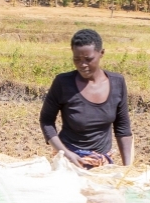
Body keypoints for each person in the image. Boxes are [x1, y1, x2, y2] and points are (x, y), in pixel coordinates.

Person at [40, 29, 133, 168]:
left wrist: (127, 168)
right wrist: (66, 153)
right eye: (77, 59)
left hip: (102, 163)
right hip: (69, 162)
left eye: (88, 59)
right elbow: (46, 121)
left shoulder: (117, 83)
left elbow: (122, 128)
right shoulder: (63, 83)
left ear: (101, 53)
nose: (82, 65)